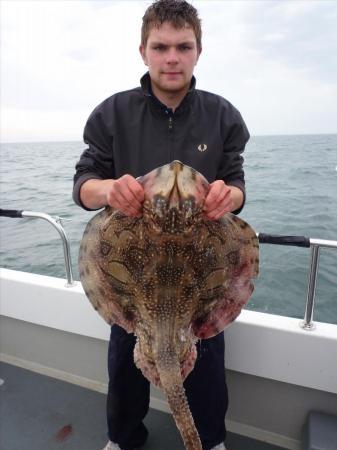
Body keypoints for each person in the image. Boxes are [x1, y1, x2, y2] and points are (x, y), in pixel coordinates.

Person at [73, 1, 250, 449]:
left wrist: (230, 195)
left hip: (198, 272)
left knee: (208, 368)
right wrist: (109, 189)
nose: (172, 57)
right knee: (123, 365)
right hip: (134, 276)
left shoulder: (222, 115)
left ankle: (211, 440)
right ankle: (123, 438)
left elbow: (238, 186)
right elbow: (83, 186)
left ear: (198, 51)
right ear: (143, 51)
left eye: (183, 46)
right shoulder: (111, 114)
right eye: (161, 47)